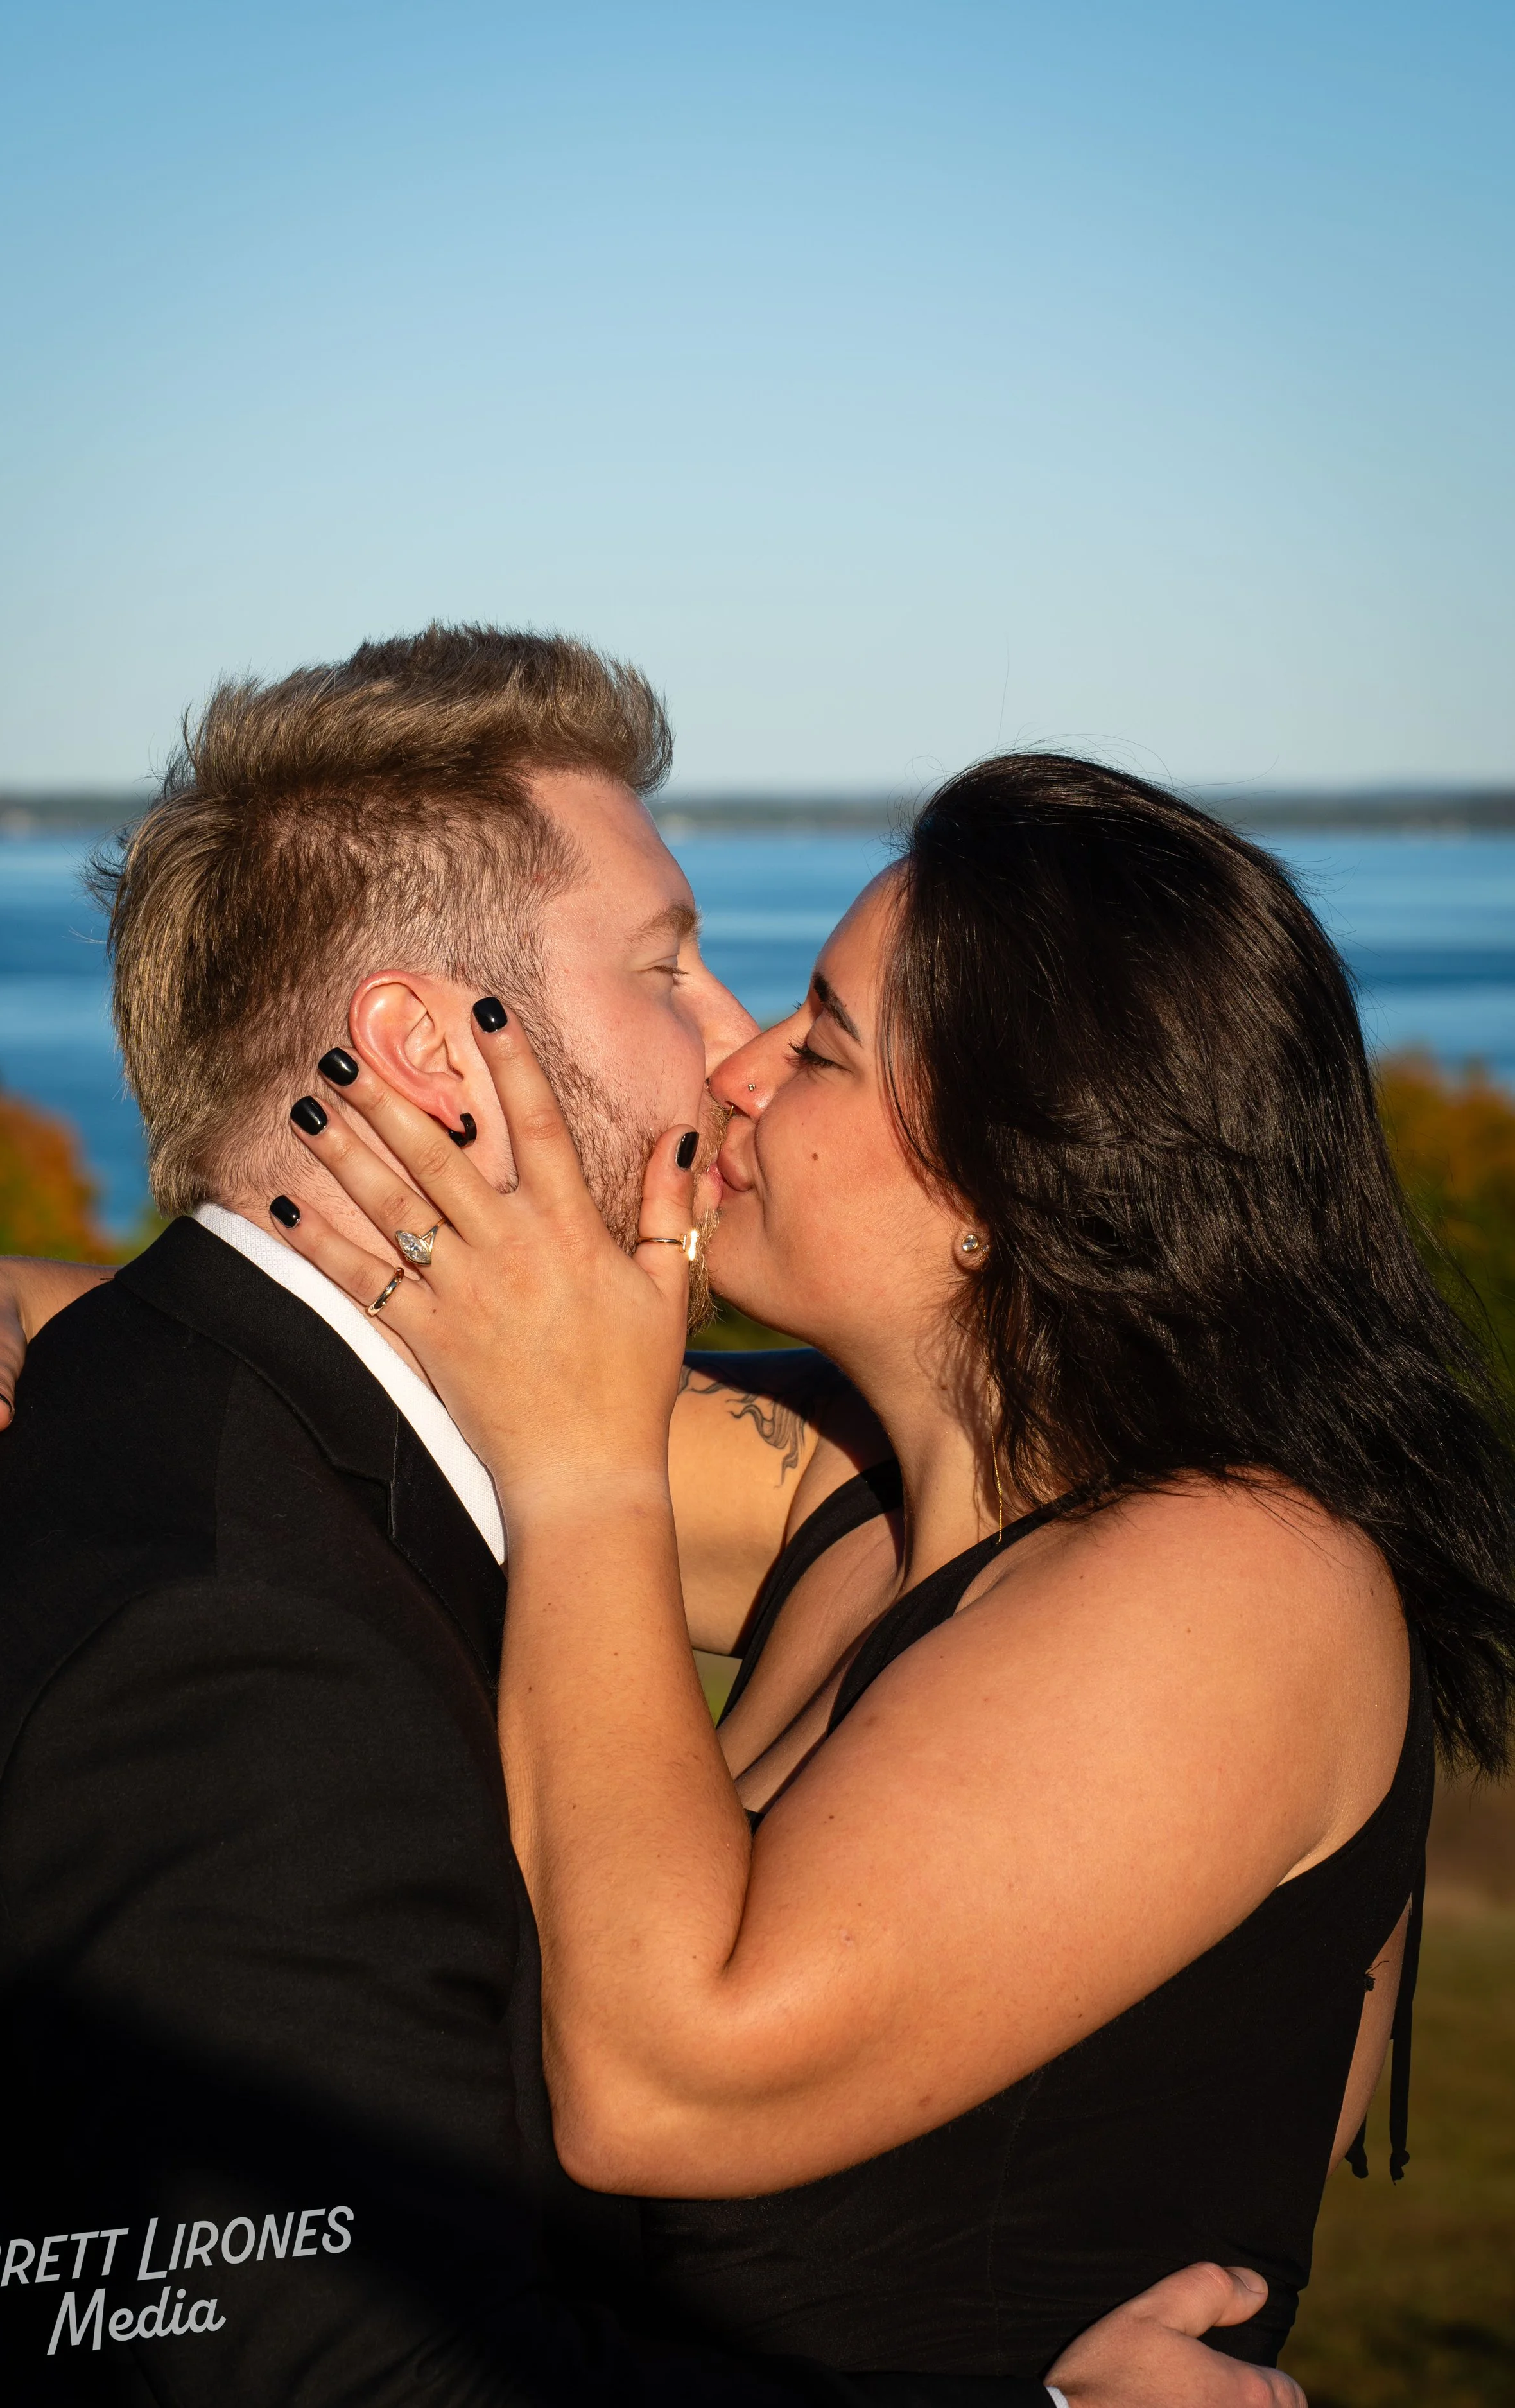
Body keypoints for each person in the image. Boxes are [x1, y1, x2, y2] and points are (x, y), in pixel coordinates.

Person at [0, 630, 1294, 2407]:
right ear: (430, 1052)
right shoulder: (234, 1637)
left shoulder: (216, 1435)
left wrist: (33, 1282)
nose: (730, 1056)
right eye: (671, 967)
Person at [238, 751, 1515, 2380]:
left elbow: (662, 2083)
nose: (738, 1067)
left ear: (1014, 1173)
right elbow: (372, 1386)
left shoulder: (1236, 1584)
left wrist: (582, 1479)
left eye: (823, 1045)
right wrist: (22, 1301)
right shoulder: (863, 1496)